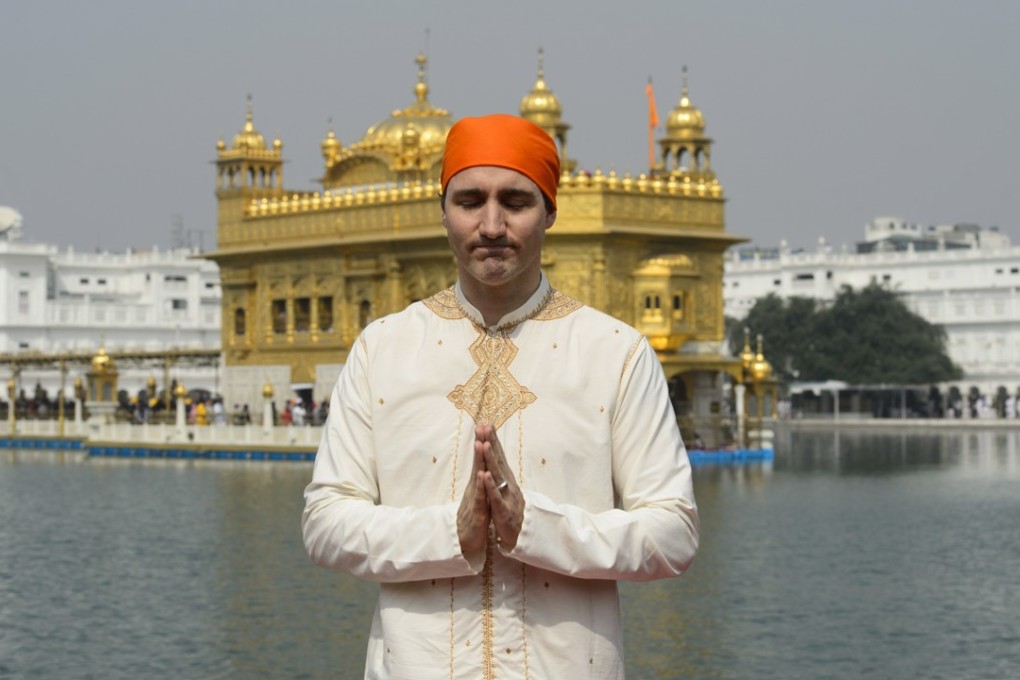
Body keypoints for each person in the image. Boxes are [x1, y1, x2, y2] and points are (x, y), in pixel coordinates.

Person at [302, 113, 699, 679]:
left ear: (551, 213)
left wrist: (535, 527)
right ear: (443, 212)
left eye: (515, 201)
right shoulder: (383, 350)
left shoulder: (615, 353)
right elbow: (325, 523)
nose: (491, 224)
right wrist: (450, 532)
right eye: (470, 201)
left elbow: (674, 533)